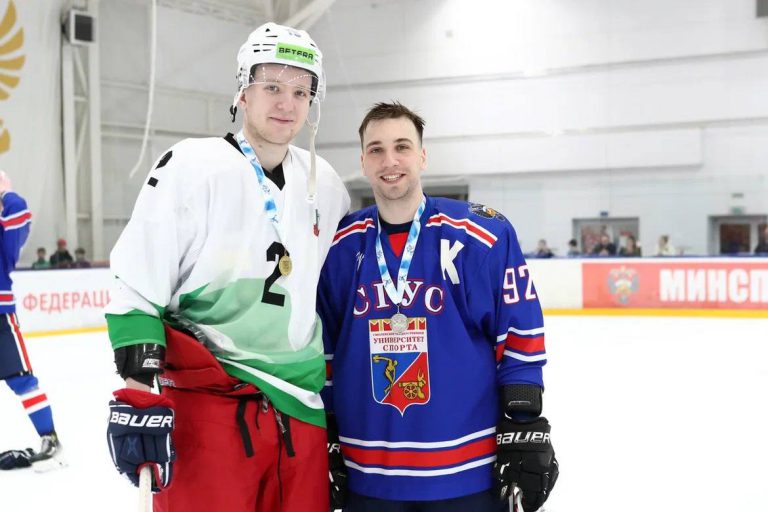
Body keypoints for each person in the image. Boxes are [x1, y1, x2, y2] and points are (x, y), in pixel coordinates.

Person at [104, 23, 350, 512]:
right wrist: (138, 392)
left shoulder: (326, 185)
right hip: (209, 411)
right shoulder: (191, 167)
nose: (287, 103)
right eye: (273, 86)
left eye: (301, 92)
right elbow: (138, 280)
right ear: (243, 91)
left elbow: (331, 295)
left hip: (301, 414)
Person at [318, 103, 558, 512]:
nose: (390, 161)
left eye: (402, 147)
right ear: (363, 162)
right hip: (369, 472)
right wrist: (326, 431)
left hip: (466, 471)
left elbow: (520, 334)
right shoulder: (340, 245)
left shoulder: (480, 234)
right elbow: (323, 347)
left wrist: (524, 420)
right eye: (376, 150)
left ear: (423, 156)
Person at [0, 170, 64, 471]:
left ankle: (50, 439)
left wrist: (4, 192)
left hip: (0, 316)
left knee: (22, 379)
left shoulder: (6, 232)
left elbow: (18, 211)